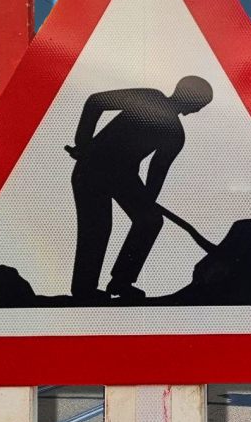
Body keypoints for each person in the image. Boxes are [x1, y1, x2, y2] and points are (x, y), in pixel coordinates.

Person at [68, 76, 214, 301]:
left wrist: (146, 204)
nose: (198, 110)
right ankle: (84, 289)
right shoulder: (150, 99)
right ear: (193, 102)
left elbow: (156, 176)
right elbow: (96, 102)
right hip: (92, 169)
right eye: (200, 105)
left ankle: (121, 281)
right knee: (98, 227)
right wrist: (83, 143)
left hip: (123, 177)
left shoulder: (175, 135)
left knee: (151, 220)